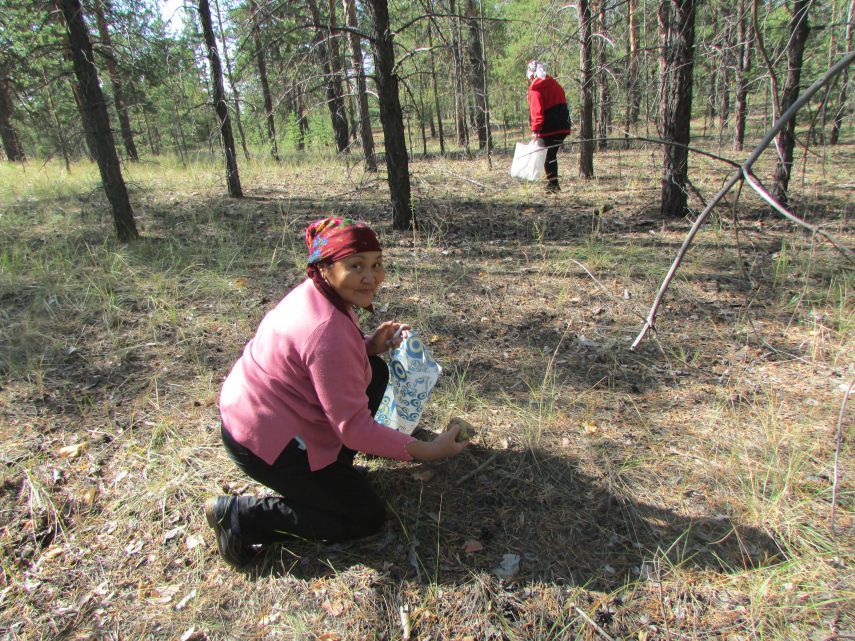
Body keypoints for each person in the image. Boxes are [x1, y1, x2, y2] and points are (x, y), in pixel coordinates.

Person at [205, 216, 469, 567]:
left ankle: (332, 469)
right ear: (325, 268)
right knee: (364, 516)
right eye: (355, 265)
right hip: (263, 440)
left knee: (373, 371)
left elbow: (319, 362)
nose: (370, 277)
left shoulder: (317, 293)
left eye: (377, 264)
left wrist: (367, 346)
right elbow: (354, 428)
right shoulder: (326, 329)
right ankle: (241, 518)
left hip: (268, 412)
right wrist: (429, 451)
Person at [527, 60, 572, 193]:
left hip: (549, 127)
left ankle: (553, 184)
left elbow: (537, 111)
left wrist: (536, 129)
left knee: (547, 155)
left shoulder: (535, 88)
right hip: (563, 126)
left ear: (531, 75)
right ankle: (553, 184)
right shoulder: (554, 83)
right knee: (550, 154)